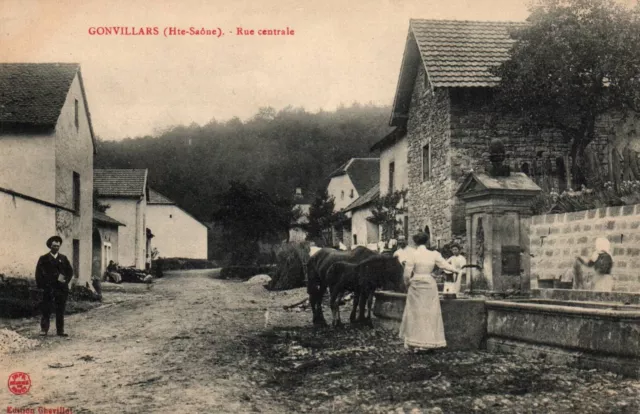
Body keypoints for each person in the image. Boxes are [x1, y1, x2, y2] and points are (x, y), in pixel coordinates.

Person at [399, 232, 459, 352]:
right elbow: (445, 265)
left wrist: (408, 284)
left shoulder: (412, 254)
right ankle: (430, 342)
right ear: (427, 242)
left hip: (416, 283)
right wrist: (456, 270)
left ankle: (414, 341)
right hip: (429, 284)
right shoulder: (434, 254)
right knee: (430, 313)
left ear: (415, 242)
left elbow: (406, 274)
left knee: (415, 313)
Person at [35, 236, 74, 337]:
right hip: (48, 288)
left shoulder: (63, 258)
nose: (56, 248)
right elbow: (38, 273)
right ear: (50, 246)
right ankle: (44, 329)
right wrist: (42, 286)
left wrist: (64, 281)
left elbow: (69, 271)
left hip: (61, 289)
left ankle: (60, 330)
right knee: (46, 309)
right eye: (54, 246)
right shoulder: (43, 258)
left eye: (57, 246)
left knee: (60, 310)